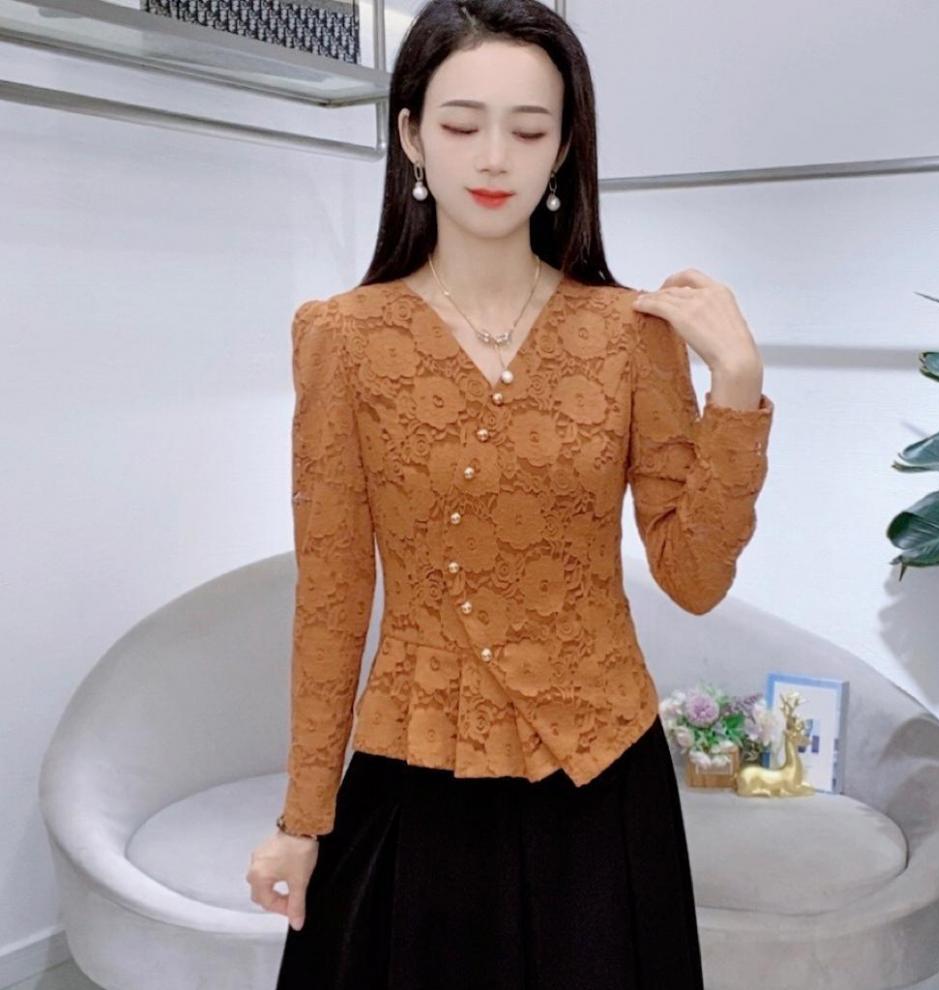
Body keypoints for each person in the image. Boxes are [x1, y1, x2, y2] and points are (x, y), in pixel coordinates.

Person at [246, 1, 774, 986]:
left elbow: (694, 578)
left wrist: (736, 391)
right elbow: (332, 596)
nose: (495, 159)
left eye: (529, 131)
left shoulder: (633, 335)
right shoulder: (343, 338)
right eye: (461, 124)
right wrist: (302, 818)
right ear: (411, 135)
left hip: (602, 782)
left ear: (565, 147)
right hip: (417, 769)